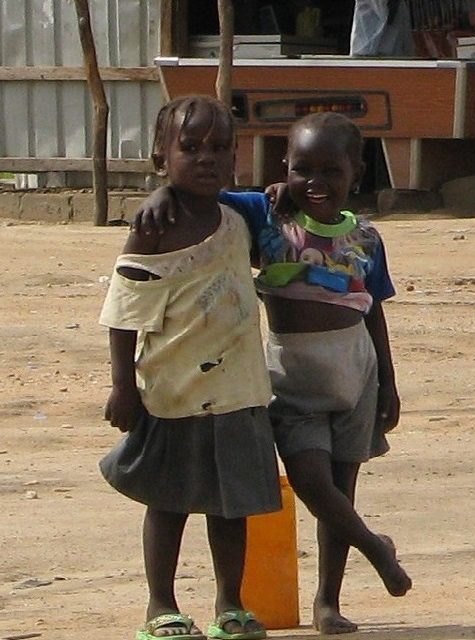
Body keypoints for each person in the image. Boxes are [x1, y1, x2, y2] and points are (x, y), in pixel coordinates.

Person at [134, 112, 413, 636]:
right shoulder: (268, 218)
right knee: (310, 480)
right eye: (302, 168)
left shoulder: (367, 238)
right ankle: (376, 546)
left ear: (357, 171)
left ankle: (328, 602)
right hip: (292, 375)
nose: (316, 183)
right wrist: (159, 196)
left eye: (331, 171)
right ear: (283, 166)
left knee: (342, 485)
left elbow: (373, 308)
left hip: (357, 372)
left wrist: (390, 383)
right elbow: (204, 192)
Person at [99, 95, 281, 640]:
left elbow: (294, 203)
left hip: (240, 390)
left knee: (232, 507)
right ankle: (161, 605)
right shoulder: (154, 226)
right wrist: (121, 386)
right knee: (169, 502)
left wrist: (280, 193)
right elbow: (123, 312)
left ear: (235, 158)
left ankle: (231, 603)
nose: (207, 158)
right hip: (173, 392)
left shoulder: (240, 216)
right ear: (161, 157)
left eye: (220, 148)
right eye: (190, 147)